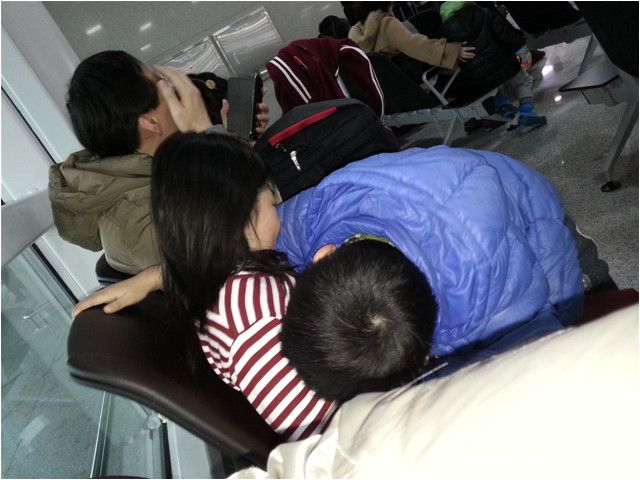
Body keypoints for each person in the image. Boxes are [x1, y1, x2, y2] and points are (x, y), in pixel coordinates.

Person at [48, 51, 270, 275]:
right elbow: (255, 230)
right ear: (150, 121)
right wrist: (209, 137)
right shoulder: (137, 225)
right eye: (164, 86)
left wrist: (236, 141)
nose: (177, 92)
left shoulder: (163, 164)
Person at [439, 1, 547, 129]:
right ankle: (527, 113)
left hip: (478, 77)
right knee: (523, 81)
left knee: (493, 86)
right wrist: (522, 50)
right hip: (504, 64)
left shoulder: (446, 31)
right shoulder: (484, 13)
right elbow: (506, 33)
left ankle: (503, 106)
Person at [344, 2, 476, 76]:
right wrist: (452, 51)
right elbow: (417, 46)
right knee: (432, 18)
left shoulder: (357, 32)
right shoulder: (387, 24)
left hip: (397, 81)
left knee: (429, 17)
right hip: (413, 71)